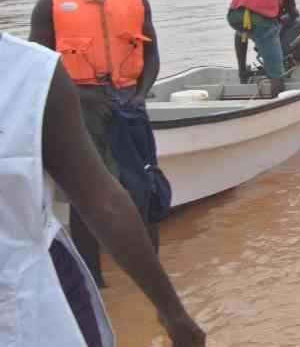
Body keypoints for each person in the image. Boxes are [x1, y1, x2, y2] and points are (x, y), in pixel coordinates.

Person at [0, 32, 205, 347]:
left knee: (134, 188)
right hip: (86, 109)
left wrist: (171, 311)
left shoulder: (32, 72)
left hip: (22, 299)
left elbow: (103, 203)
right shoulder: (47, 8)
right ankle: (98, 278)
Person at [29, 0, 160, 287]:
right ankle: (94, 281)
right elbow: (37, 67)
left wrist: (140, 93)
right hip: (75, 109)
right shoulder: (50, 1)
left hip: (128, 104)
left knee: (142, 189)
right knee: (85, 197)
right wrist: (82, 96)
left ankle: (152, 274)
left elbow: (151, 54)